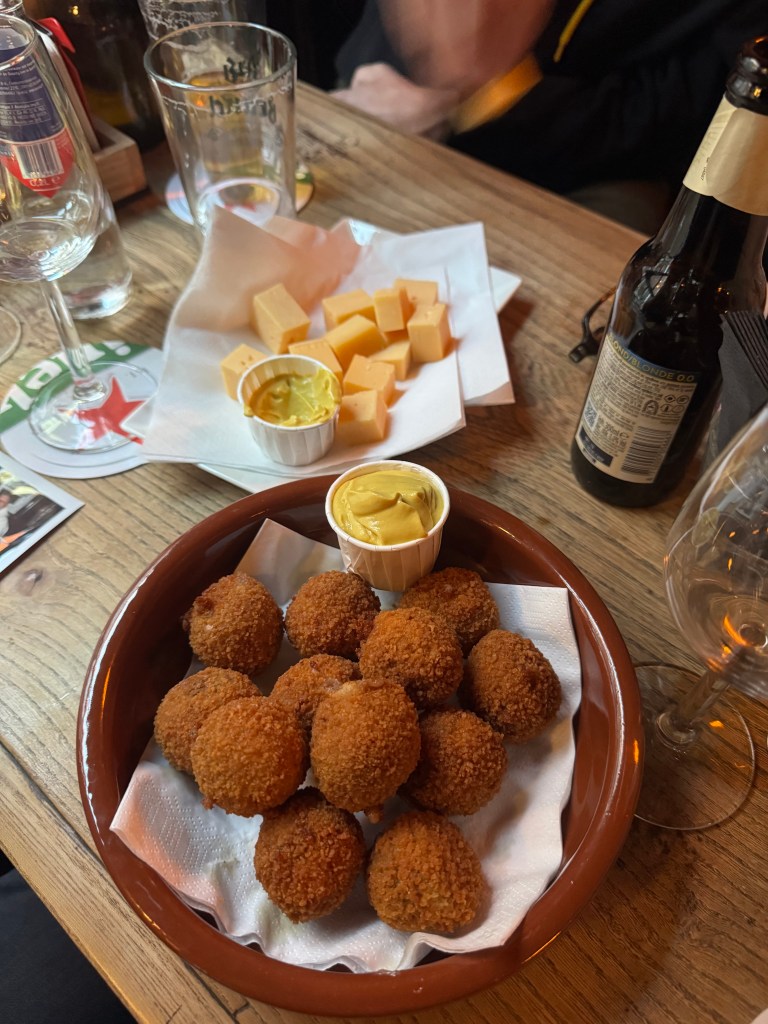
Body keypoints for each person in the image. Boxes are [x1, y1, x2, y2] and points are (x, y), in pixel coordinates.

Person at [332, 0, 768, 233]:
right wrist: (402, 78)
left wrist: (487, 99)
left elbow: (693, 105)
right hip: (391, 90)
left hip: (589, 152)